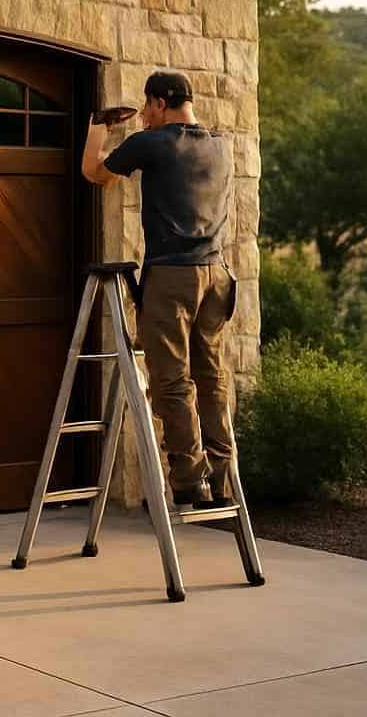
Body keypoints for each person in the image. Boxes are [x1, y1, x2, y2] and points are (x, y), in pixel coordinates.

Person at [81, 70, 237, 508]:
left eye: (147, 107)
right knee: (212, 377)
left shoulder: (150, 143)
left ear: (160, 103)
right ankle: (222, 476)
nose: (145, 116)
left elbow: (94, 173)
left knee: (171, 379)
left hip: (173, 276)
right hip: (217, 275)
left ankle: (190, 481)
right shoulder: (220, 144)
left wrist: (99, 125)